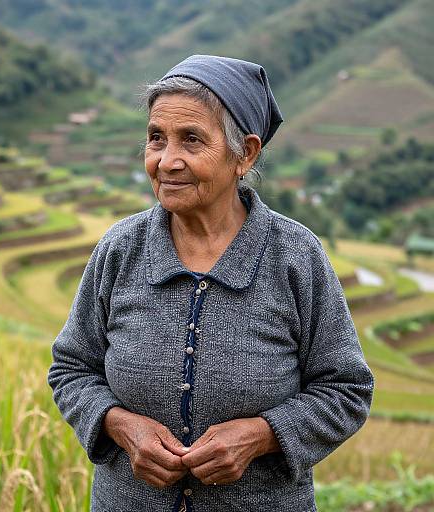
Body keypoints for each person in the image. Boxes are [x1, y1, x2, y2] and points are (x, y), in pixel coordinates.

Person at [47, 54, 374, 512]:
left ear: (246, 153)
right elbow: (71, 368)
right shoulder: (121, 249)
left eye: (192, 140)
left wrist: (261, 436)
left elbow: (346, 389)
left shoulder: (295, 257)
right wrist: (119, 425)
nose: (167, 161)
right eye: (156, 138)